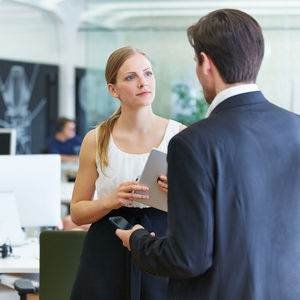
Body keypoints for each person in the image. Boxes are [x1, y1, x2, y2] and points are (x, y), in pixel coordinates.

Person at [116, 9, 300, 300]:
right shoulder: (296, 128)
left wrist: (137, 239)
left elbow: (187, 258)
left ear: (205, 64)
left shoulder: (192, 143)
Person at [69, 46, 186, 299]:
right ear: (113, 89)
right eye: (131, 77)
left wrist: (178, 193)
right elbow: (77, 213)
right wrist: (112, 199)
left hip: (161, 244)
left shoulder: (180, 136)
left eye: (148, 73)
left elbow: (199, 208)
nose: (143, 82)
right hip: (106, 247)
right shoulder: (96, 139)